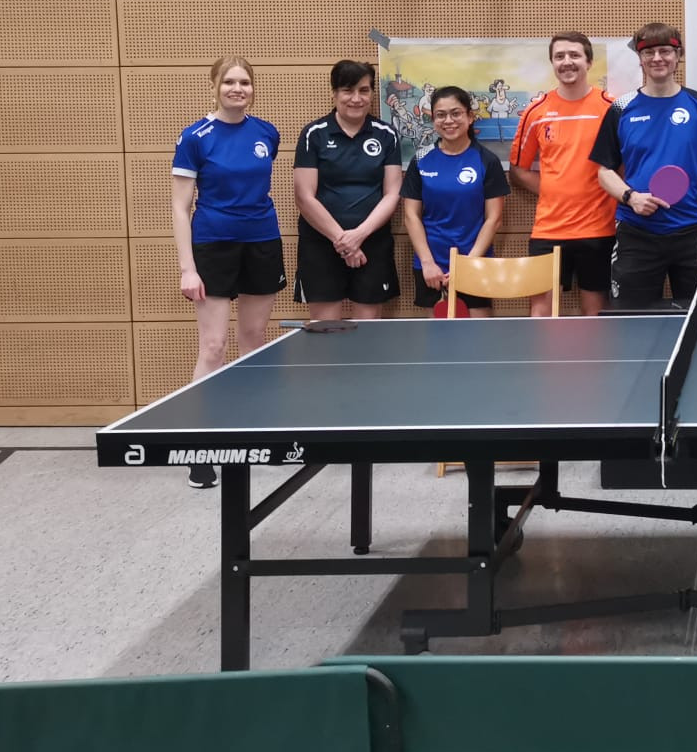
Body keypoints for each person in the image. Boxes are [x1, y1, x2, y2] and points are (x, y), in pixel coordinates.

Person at [171, 55, 286, 489]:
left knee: (254, 341)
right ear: (215, 86)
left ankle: (256, 431)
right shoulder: (195, 137)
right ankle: (200, 447)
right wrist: (188, 269)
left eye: (245, 82)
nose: (237, 89)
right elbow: (180, 209)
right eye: (229, 82)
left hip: (261, 241)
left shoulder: (266, 133)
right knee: (214, 346)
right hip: (213, 245)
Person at [590, 22, 697, 309]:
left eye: (666, 50)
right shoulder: (621, 107)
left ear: (678, 56)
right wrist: (631, 197)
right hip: (637, 232)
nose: (657, 58)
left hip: (692, 233)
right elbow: (604, 171)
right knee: (631, 322)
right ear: (640, 59)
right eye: (649, 52)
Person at [509, 31, 616, 317]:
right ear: (552, 63)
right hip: (548, 229)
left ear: (589, 62)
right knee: (540, 313)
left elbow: (624, 168)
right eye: (559, 57)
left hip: (599, 229)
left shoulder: (611, 109)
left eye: (574, 55)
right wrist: (555, 190)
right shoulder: (536, 111)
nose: (567, 62)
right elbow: (518, 170)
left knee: (595, 315)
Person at [292, 59, 403, 321]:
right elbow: (304, 197)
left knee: (368, 335)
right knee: (324, 334)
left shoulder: (387, 134)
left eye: (364, 90)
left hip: (372, 244)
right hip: (321, 244)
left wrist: (359, 236)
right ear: (334, 93)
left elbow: (392, 194)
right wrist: (344, 242)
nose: (356, 98)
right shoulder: (313, 134)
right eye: (347, 90)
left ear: (372, 93)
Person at [400, 85, 509, 318]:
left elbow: (494, 219)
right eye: (441, 114)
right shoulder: (421, 160)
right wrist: (428, 263)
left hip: (475, 262)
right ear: (433, 118)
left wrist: (469, 264)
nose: (448, 120)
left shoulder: (486, 161)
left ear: (470, 117)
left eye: (456, 113)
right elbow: (411, 216)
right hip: (431, 266)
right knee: (439, 344)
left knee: (479, 342)